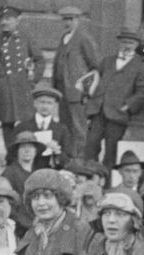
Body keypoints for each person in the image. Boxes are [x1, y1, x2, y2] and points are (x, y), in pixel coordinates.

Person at [84, 29, 144, 168]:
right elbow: (95, 80)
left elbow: (143, 92)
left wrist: (128, 106)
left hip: (118, 114)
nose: (127, 45)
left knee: (111, 150)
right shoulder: (107, 61)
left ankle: (107, 178)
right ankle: (90, 174)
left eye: (131, 43)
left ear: (136, 45)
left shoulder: (140, 66)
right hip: (99, 110)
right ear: (119, 43)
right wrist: (89, 98)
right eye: (124, 42)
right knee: (91, 145)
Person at [0, 3, 45, 148]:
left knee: (26, 122)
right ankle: (10, 154)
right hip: (5, 88)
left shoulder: (26, 39)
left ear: (17, 20)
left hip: (22, 87)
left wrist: (33, 79)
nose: (4, 22)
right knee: (7, 123)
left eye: (8, 19)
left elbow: (39, 60)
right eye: (2, 19)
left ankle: (26, 150)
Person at [52, 6, 100, 157]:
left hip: (76, 92)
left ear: (78, 20)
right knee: (65, 126)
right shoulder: (63, 38)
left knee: (78, 127)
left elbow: (95, 66)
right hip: (61, 91)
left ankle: (79, 159)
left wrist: (86, 89)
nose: (67, 23)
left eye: (71, 19)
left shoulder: (83, 38)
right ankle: (67, 158)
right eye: (65, 19)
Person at [14, 83, 72, 170]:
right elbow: (11, 157)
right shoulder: (22, 127)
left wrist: (57, 151)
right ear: (35, 103)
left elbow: (67, 160)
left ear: (55, 106)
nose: (45, 106)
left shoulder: (61, 129)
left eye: (49, 103)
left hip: (52, 172)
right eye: (42, 102)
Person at [1, 129, 47, 236]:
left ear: (35, 151)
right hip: (19, 227)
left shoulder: (38, 174)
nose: (27, 150)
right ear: (17, 151)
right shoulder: (9, 173)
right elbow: (7, 203)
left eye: (30, 146)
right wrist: (27, 223)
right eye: (23, 147)